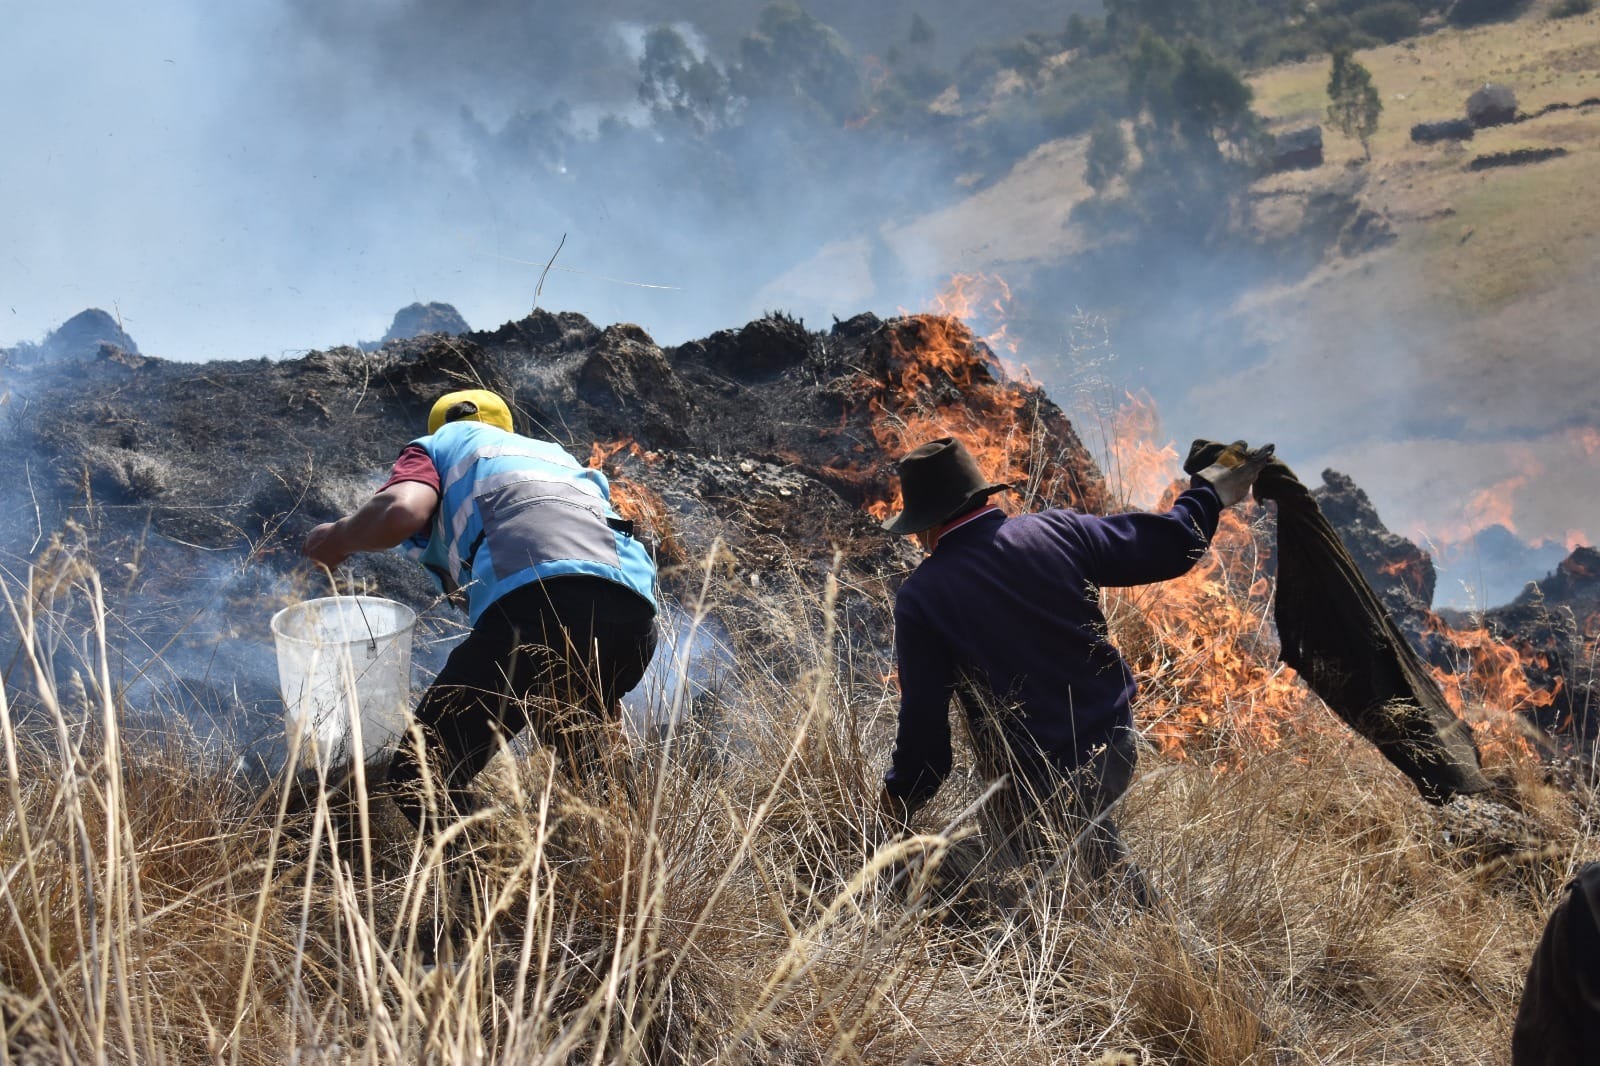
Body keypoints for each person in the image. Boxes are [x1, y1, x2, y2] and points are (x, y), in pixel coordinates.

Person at [876, 436, 1271, 899]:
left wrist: (896, 804)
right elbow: (1172, 546)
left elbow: (926, 736)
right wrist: (1209, 490)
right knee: (1082, 861)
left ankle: (1160, 952)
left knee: (1060, 892)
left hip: (1032, 778)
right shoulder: (1057, 531)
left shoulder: (922, 596)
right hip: (1115, 739)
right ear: (980, 495)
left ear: (926, 524)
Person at [301, 388, 659, 835]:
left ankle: (500, 890)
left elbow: (400, 511)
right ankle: (625, 868)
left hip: (538, 605)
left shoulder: (437, 447)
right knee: (582, 747)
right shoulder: (555, 457)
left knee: (421, 776)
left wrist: (337, 538)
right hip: (633, 611)